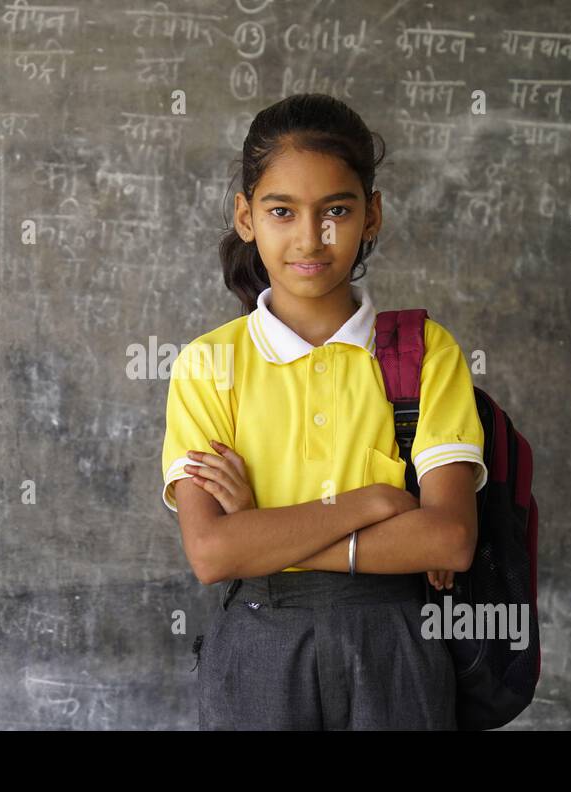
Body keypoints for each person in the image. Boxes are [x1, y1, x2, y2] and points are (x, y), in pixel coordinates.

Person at [160, 93, 488, 730]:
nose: (311, 237)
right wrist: (370, 503)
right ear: (247, 217)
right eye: (282, 211)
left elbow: (449, 537)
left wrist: (261, 531)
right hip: (258, 651)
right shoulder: (208, 364)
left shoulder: (424, 353)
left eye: (336, 210)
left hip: (395, 648)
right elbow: (211, 554)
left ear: (372, 215)